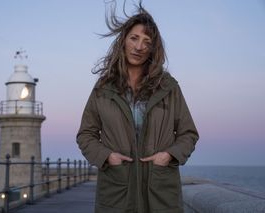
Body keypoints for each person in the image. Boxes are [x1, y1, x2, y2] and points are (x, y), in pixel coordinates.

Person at [77, 3, 199, 213]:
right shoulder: (103, 88)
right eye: (134, 38)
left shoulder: (168, 87)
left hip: (160, 191)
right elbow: (86, 134)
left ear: (153, 49)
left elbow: (188, 133)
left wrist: (168, 155)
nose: (139, 46)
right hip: (117, 190)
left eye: (147, 42)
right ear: (123, 40)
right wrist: (107, 157)